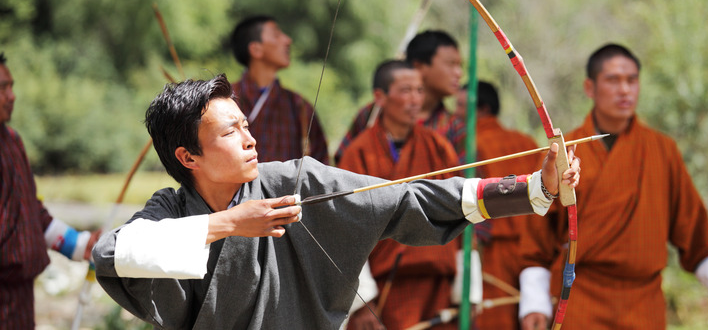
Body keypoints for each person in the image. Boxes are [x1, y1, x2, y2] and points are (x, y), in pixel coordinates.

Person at [92, 74, 580, 330]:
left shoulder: (293, 181)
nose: (248, 138)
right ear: (187, 156)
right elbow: (112, 254)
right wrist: (230, 223)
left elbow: (405, 196)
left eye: (245, 124)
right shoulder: (171, 209)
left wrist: (535, 188)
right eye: (229, 131)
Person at [516, 44, 708, 330]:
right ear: (590, 87)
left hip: (644, 303)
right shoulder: (562, 153)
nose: (625, 90)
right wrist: (534, 303)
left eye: (632, 80)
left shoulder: (663, 150)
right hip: (583, 298)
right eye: (613, 80)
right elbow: (537, 239)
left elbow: (693, 229)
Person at [340, 60, 462, 330]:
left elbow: (462, 211)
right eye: (406, 91)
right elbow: (346, 230)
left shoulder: (438, 147)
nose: (416, 100)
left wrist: (467, 289)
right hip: (386, 288)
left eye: (420, 91)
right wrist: (362, 301)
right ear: (380, 97)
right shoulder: (358, 153)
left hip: (440, 284)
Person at [0, 52, 100, 329]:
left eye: (11, 86)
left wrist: (80, 245)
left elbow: (32, 213)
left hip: (18, 296)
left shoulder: (12, 141)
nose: (12, 96)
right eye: (2, 88)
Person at [456, 81, 543, 330]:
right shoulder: (526, 141)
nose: (455, 114)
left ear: (481, 109)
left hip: (493, 252)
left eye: (461, 106)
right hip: (533, 252)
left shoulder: (471, 144)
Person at [335, 30, 465, 164]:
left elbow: (464, 180)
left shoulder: (454, 127)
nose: (458, 73)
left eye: (459, 66)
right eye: (451, 64)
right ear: (419, 67)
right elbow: (343, 167)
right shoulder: (374, 113)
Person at [229, 15, 329, 164]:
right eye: (276, 35)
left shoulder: (299, 106)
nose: (287, 40)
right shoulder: (224, 100)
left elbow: (321, 166)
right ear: (256, 49)